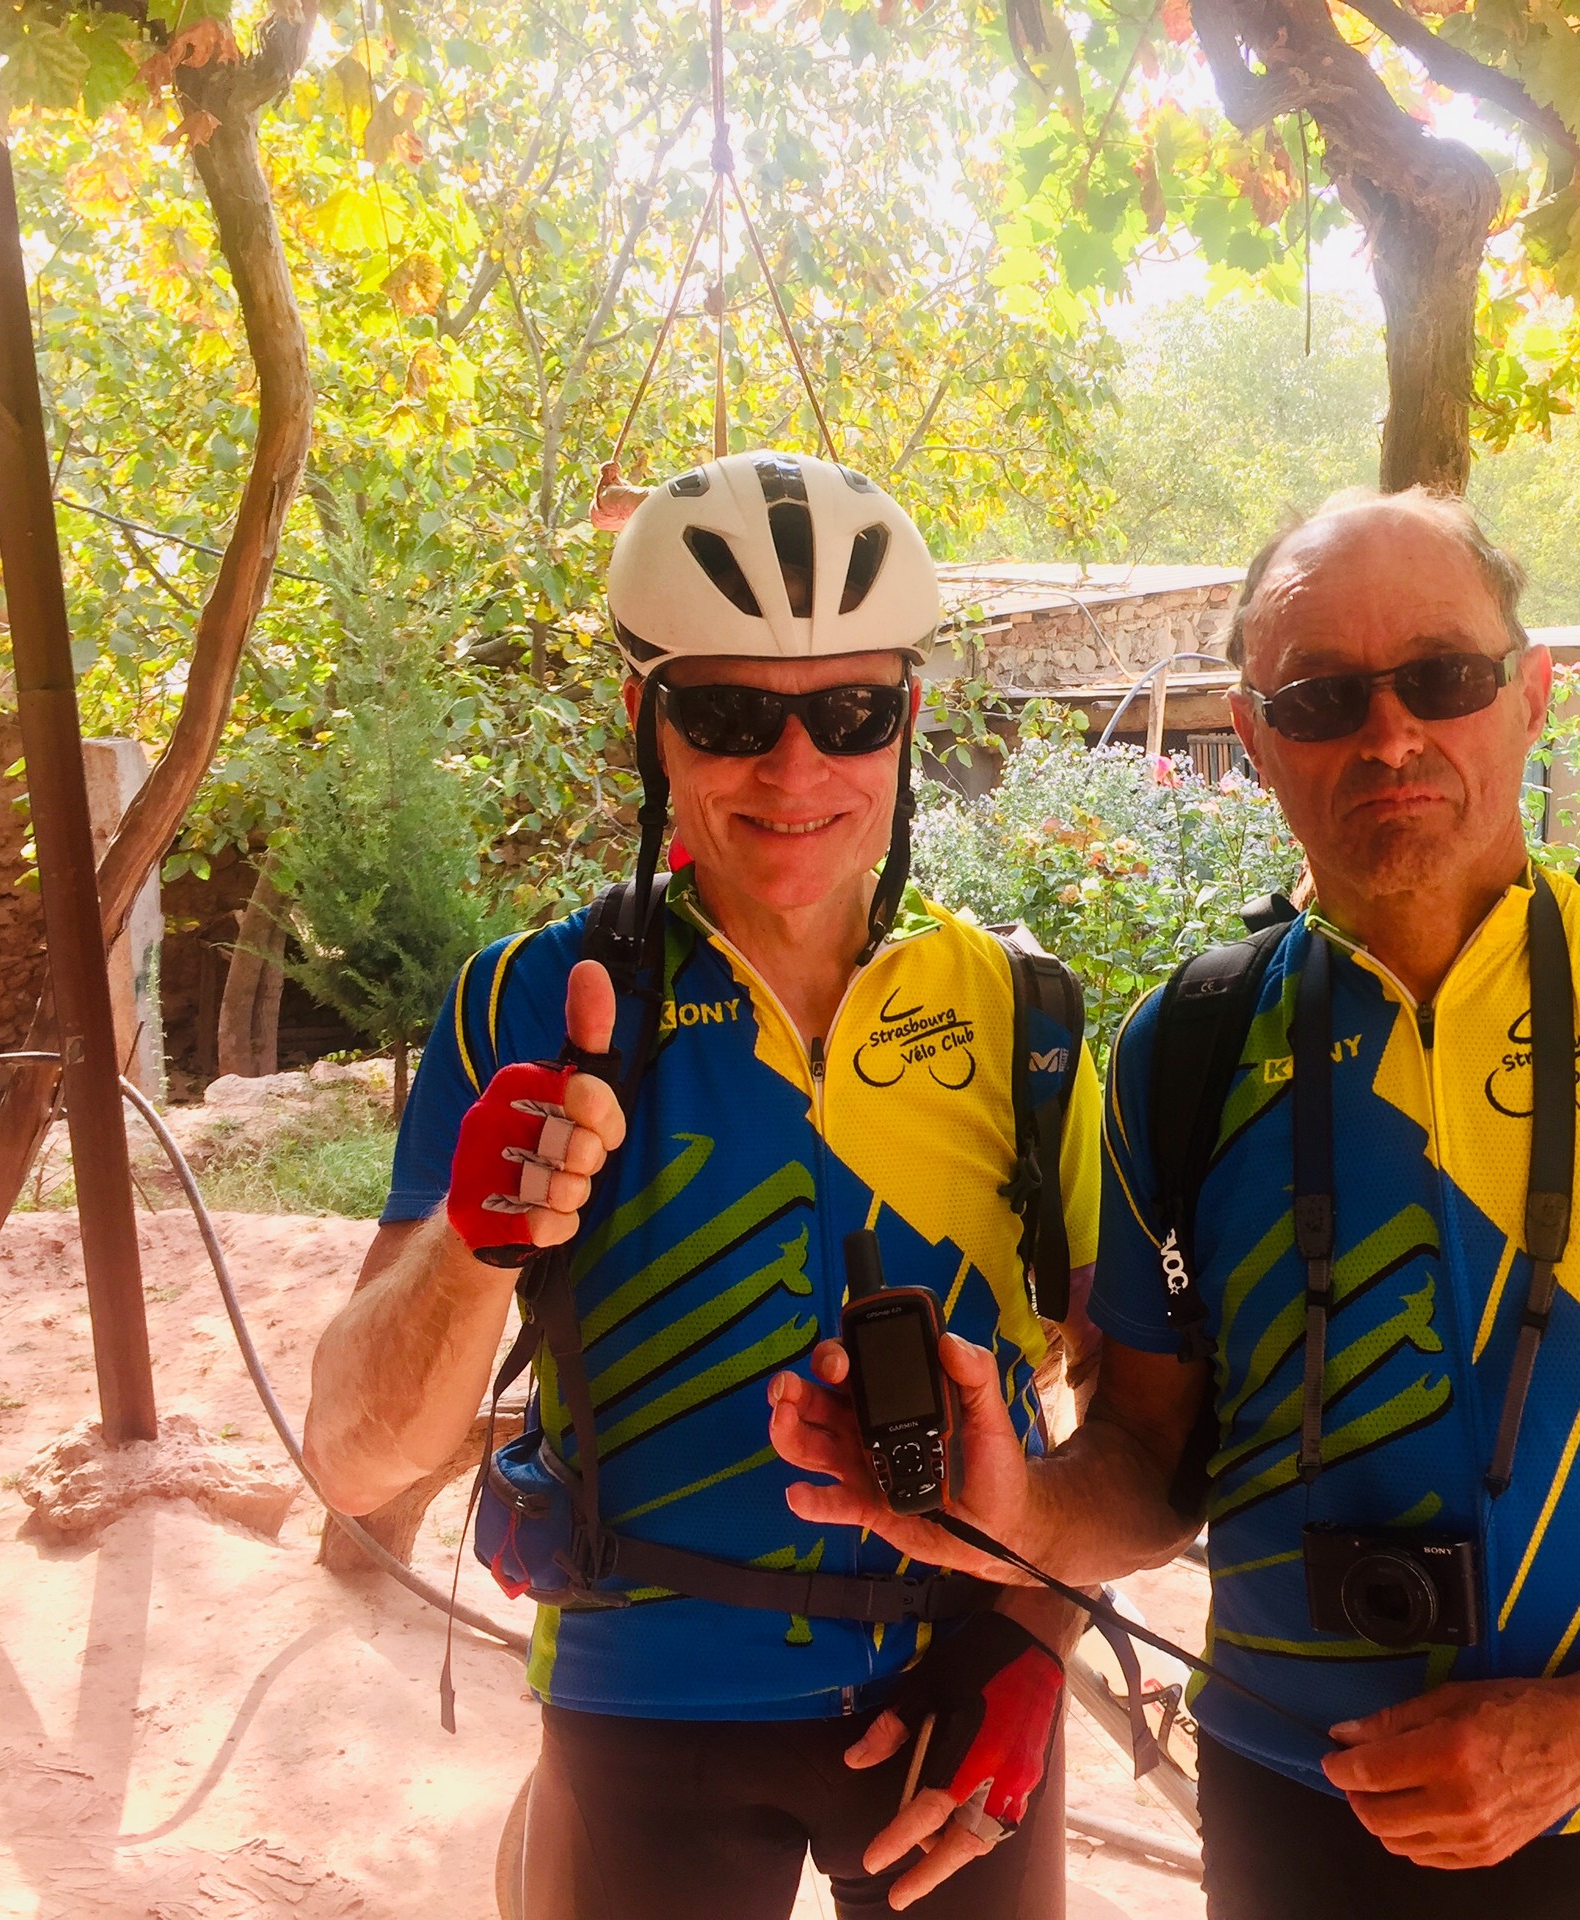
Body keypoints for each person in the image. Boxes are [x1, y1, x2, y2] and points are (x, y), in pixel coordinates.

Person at [771, 487, 1580, 1916]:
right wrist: (1008, 1507)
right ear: (1257, 739)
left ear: (1530, 696)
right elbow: (1150, 1461)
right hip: (1294, 1814)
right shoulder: (1184, 1051)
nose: (1390, 736)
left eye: (1443, 678)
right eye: (1325, 697)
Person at [302, 451, 1099, 1920]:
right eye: (729, 715)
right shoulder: (532, 1002)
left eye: (849, 714)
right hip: (641, 1698)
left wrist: (1037, 1630)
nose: (794, 774)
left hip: (957, 1686)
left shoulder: (1022, 1018)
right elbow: (350, 1459)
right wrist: (484, 1247)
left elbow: (1131, 1417)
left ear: (907, 722)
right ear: (646, 723)